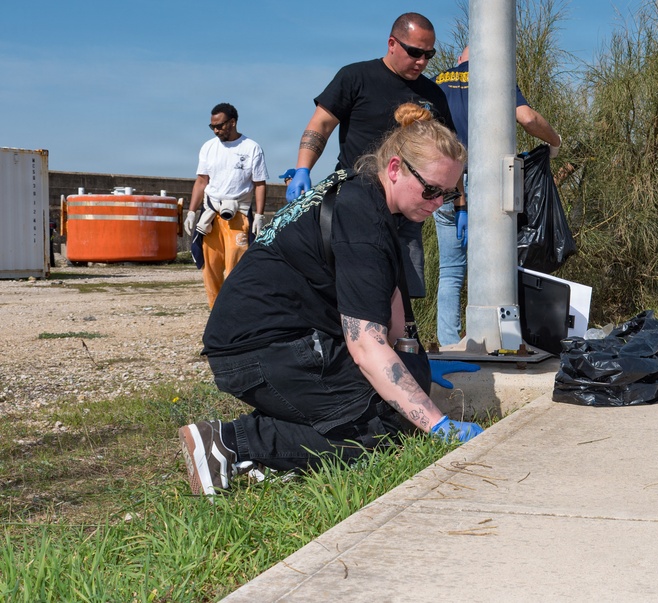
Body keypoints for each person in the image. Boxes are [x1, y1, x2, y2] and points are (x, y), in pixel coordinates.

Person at [178, 103, 483, 496]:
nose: (438, 202)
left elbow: (388, 297)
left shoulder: (367, 192)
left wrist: (416, 364)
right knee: (387, 427)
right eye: (431, 189)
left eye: (449, 193)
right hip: (258, 350)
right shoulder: (364, 223)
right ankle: (231, 442)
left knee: (399, 398)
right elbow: (366, 346)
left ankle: (277, 447)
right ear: (395, 169)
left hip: (273, 337)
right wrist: (436, 422)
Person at [285, 12, 454, 299]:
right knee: (354, 289)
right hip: (355, 203)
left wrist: (459, 204)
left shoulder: (432, 94)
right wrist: (303, 169)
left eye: (429, 55)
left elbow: (447, 153)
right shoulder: (356, 77)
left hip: (406, 213)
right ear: (392, 43)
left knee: (402, 293)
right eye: (415, 53)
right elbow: (321, 124)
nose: (422, 62)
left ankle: (399, 343)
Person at [432, 46, 563, 345]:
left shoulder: (437, 81)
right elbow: (527, 118)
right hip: (489, 185)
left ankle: (450, 345)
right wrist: (554, 142)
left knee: (450, 272)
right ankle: (500, 340)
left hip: (447, 185)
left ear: (458, 61)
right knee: (498, 265)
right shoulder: (496, 78)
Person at [184, 103, 268, 308]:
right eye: (212, 126)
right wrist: (192, 212)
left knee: (236, 268)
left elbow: (259, 184)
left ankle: (237, 312)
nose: (216, 130)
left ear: (232, 123)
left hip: (238, 215)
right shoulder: (208, 147)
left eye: (220, 126)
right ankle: (216, 312)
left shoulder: (251, 148)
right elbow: (201, 181)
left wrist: (259, 215)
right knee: (210, 268)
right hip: (211, 215)